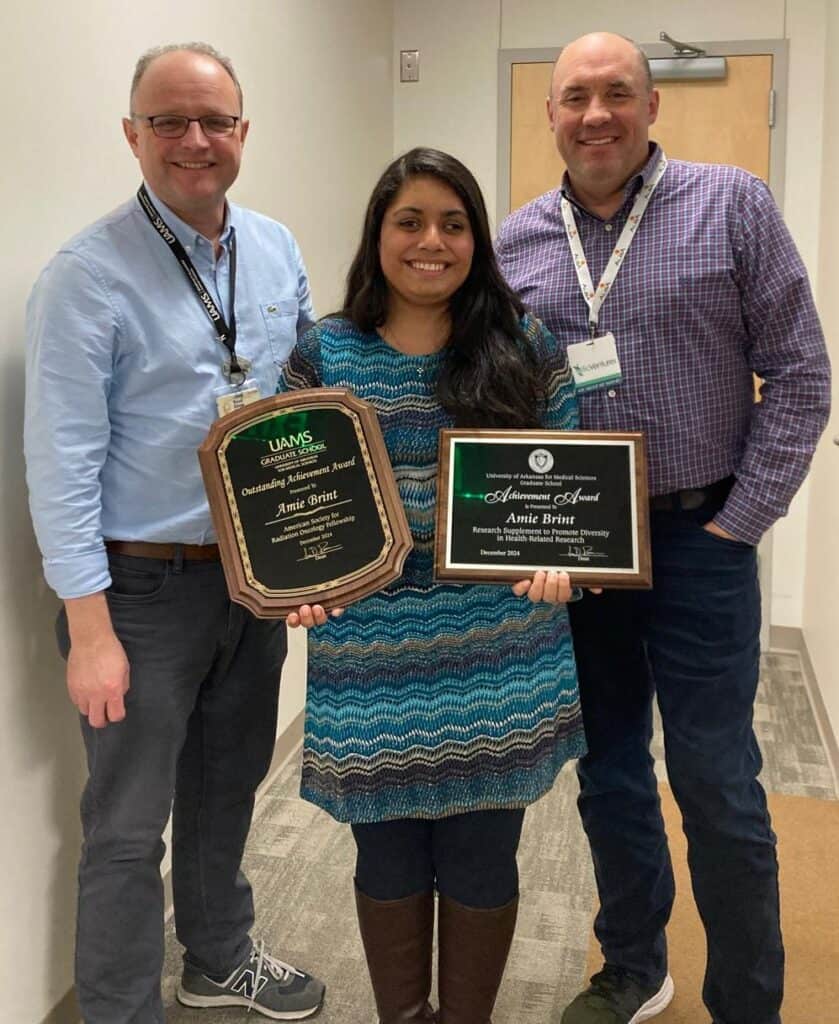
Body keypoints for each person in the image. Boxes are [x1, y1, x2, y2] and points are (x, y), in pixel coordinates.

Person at [496, 31, 831, 1024]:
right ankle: (633, 966)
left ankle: (745, 1001)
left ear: (651, 106)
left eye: (614, 94)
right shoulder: (515, 240)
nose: (593, 114)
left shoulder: (732, 204)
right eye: (572, 97)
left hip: (700, 538)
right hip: (580, 546)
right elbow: (501, 403)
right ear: (547, 113)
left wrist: (740, 526)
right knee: (605, 770)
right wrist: (520, 531)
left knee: (716, 781)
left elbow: (800, 374)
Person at [24, 43, 324, 1023]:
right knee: (124, 825)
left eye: (214, 121)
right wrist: (91, 628)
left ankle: (216, 956)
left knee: (226, 788)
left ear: (243, 131)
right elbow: (60, 465)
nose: (193, 141)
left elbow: (303, 408)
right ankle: (116, 1007)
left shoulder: (276, 248)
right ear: (131, 134)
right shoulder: (85, 276)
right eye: (167, 121)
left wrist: (313, 553)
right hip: (139, 593)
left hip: (252, 577)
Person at [278, 146, 586, 1024]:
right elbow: (282, 504)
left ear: (477, 241)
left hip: (501, 662)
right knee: (386, 867)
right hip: (369, 669)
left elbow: (573, 491)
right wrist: (291, 582)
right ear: (378, 234)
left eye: (453, 224)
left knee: (486, 865)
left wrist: (566, 563)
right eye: (408, 221)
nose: (431, 241)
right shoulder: (322, 355)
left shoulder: (523, 344)